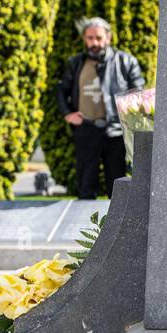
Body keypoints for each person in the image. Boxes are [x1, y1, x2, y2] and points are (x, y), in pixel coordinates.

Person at [56, 17, 146, 199]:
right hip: (86, 130)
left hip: (116, 132)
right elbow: (61, 89)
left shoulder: (126, 62)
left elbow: (139, 93)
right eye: (89, 38)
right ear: (84, 39)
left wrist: (129, 120)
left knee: (118, 188)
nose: (94, 43)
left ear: (108, 37)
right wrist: (67, 114)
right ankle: (86, 226)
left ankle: (118, 227)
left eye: (98, 37)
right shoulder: (76, 63)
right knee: (85, 187)